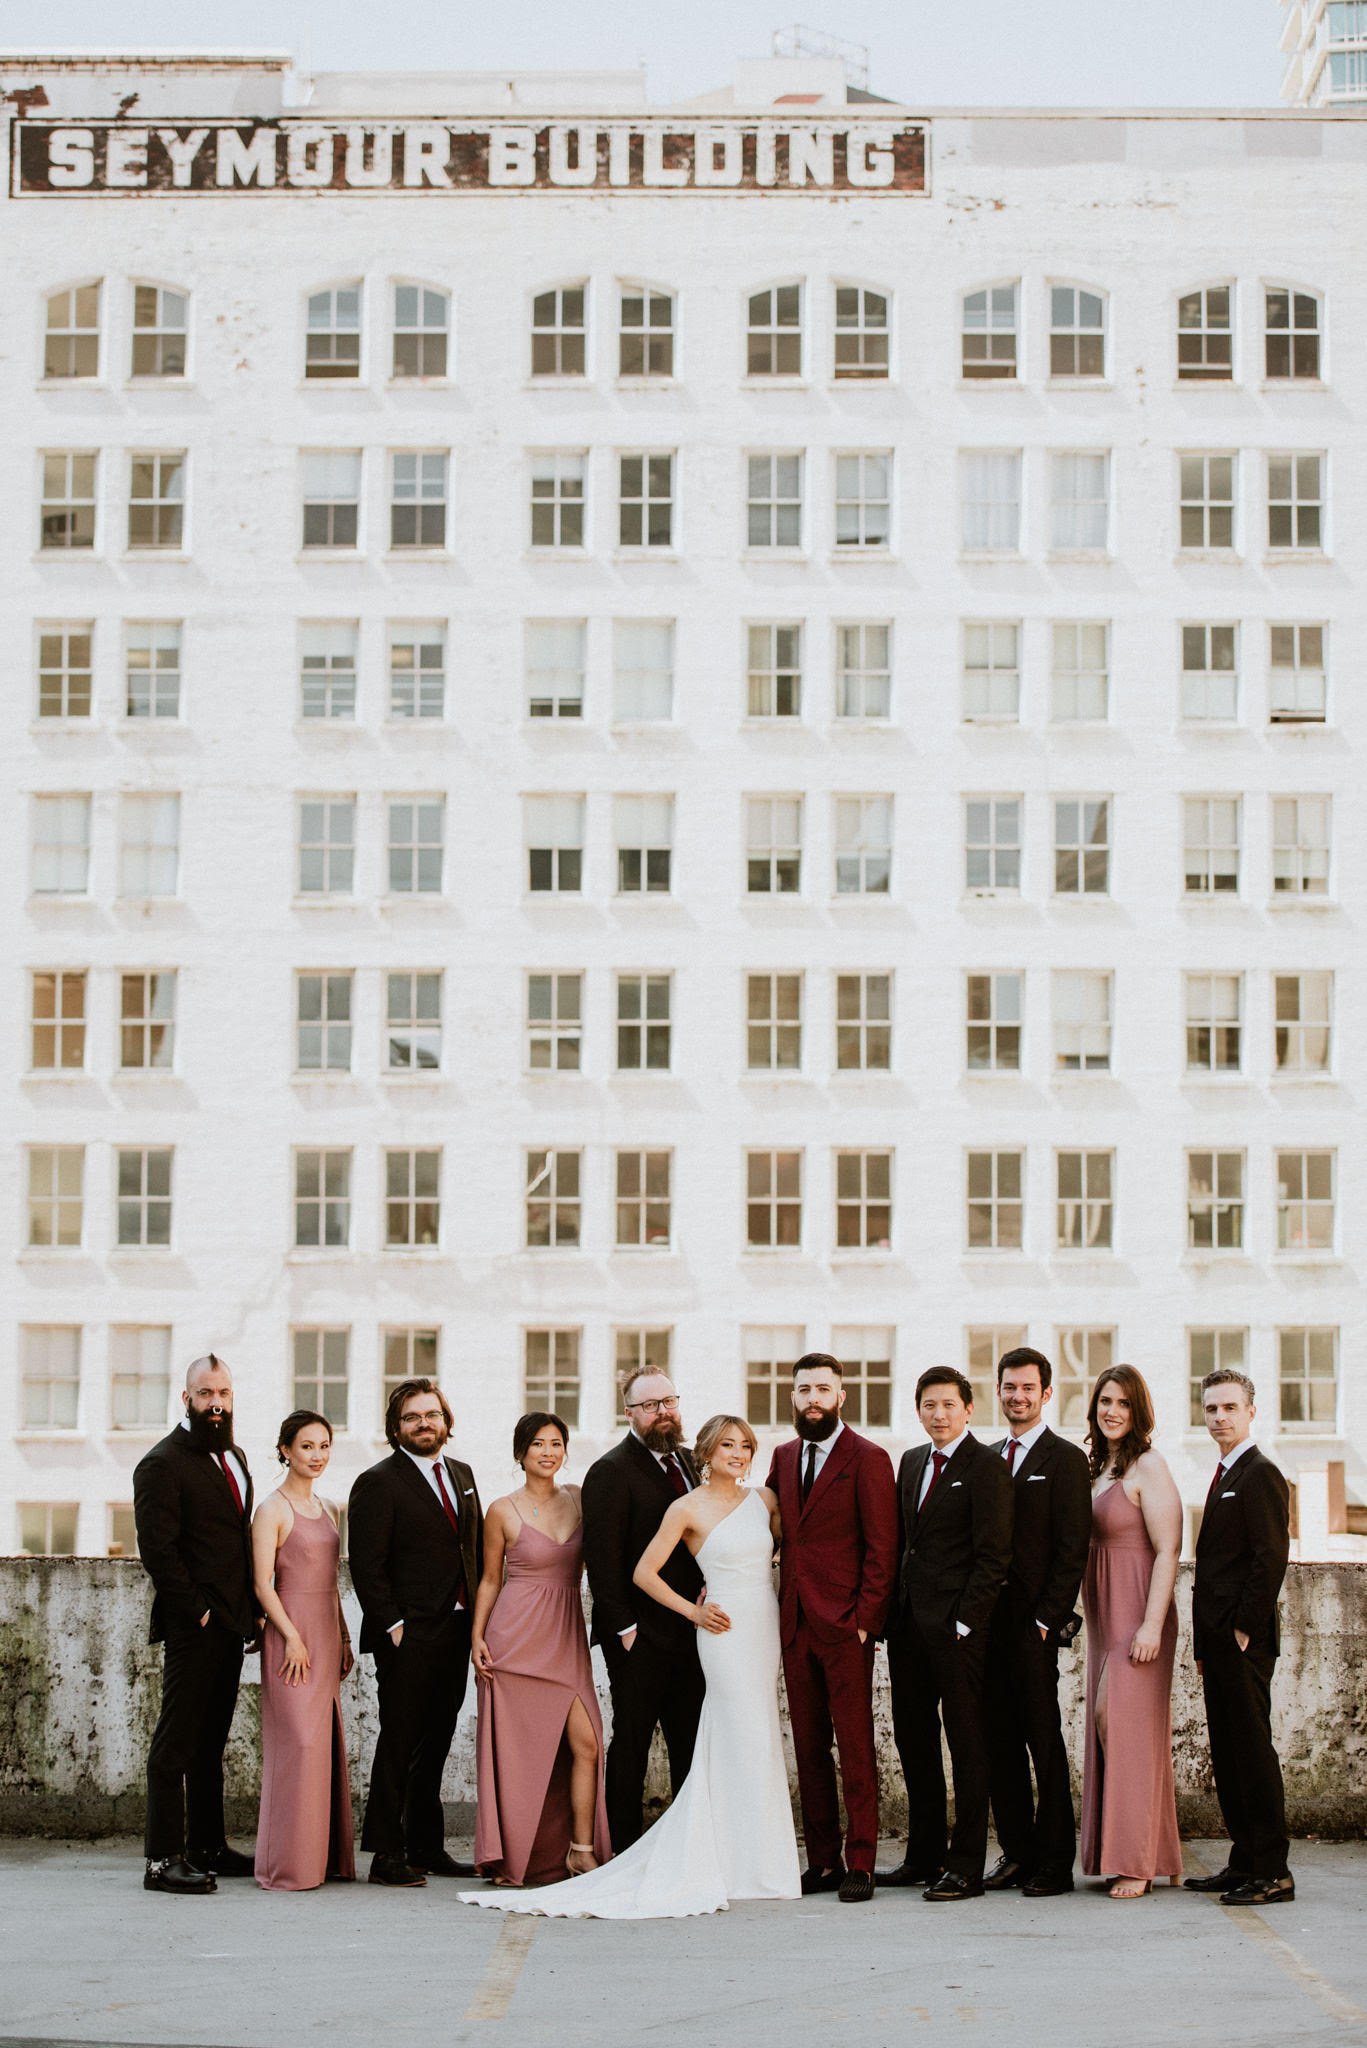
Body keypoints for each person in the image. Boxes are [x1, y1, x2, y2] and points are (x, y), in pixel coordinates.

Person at [461, 1415, 800, 1918]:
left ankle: (760, 1856)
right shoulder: (684, 1506)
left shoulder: (766, 1502)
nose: (739, 1453)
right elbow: (639, 1569)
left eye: (746, 1446)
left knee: (759, 1734)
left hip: (762, 1627)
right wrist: (694, 1611)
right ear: (705, 1452)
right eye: (728, 1444)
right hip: (716, 1632)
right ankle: (692, 1849)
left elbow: (784, 1554)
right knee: (716, 1731)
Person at [764, 1352, 898, 1903]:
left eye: (823, 1389)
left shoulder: (868, 1458)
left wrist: (865, 1621)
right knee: (810, 1747)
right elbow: (773, 1532)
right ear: (792, 1397)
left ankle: (860, 1861)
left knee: (856, 1745)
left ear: (841, 1397)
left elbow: (883, 1547)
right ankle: (820, 1860)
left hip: (846, 1627)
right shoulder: (783, 1455)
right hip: (794, 1624)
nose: (813, 1398)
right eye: (803, 1390)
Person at [882, 1367, 1013, 1902]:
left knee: (966, 1744)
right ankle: (924, 1854)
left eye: (948, 1405)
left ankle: (965, 1865)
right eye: (929, 1405)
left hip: (959, 1633)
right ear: (918, 1411)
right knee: (914, 1741)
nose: (938, 1414)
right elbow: (903, 1545)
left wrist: (965, 1621)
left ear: (968, 1410)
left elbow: (994, 1556)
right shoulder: (911, 1462)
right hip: (909, 1628)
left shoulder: (986, 1467)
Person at [347, 1377, 483, 1887]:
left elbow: (473, 1549)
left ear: (446, 1421)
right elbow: (367, 1564)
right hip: (407, 1635)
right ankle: (386, 1854)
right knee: (399, 1743)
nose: (424, 1424)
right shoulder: (378, 1482)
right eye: (412, 1417)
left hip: (456, 1628)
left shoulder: (463, 1475)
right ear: (396, 1427)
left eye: (431, 1415)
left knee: (438, 1739)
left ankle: (426, 1847)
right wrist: (394, 1626)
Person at [133, 1353, 257, 1894]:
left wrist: (243, 1614)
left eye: (223, 1394)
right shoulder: (162, 1463)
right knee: (174, 1746)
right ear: (186, 1398)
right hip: (194, 1625)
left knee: (211, 1744)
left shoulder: (236, 1456)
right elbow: (158, 1553)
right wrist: (200, 1612)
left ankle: (208, 1846)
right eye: (206, 1394)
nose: (216, 1404)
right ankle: (162, 1861)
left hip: (231, 1623)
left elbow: (236, 1541)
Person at [468, 1413, 610, 1886]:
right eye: (537, 1444)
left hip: (565, 1637)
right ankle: (517, 1854)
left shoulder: (580, 1498)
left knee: (586, 1742)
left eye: (556, 1443)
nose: (548, 1452)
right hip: (515, 1641)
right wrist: (478, 1637)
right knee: (521, 1754)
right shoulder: (501, 1510)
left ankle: (581, 1850)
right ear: (520, 1453)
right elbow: (490, 1580)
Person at [580, 1368, 706, 1851]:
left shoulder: (692, 1463)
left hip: (690, 1632)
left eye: (669, 1401)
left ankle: (686, 1844)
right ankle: (624, 1848)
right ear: (629, 1413)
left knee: (688, 1741)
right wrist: (626, 1630)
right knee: (631, 1743)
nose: (663, 1412)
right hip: (638, 1637)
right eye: (650, 1405)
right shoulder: (610, 1471)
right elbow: (602, 1560)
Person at [984, 1346, 1092, 1898]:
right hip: (986, 1629)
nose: (1018, 1396)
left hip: (1034, 1628)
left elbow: (1073, 1549)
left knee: (1042, 1742)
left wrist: (1048, 1622)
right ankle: (1017, 1853)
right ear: (998, 1390)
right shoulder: (987, 1455)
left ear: (1046, 1394)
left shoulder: (1066, 1459)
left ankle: (1053, 1860)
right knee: (998, 1744)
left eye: (1028, 1388)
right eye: (1009, 1387)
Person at [1185, 1368, 1294, 1907]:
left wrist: (1245, 1629)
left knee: (1251, 1752)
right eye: (1211, 1409)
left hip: (1244, 1641)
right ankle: (1244, 1861)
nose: (1219, 1417)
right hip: (1220, 1644)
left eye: (1229, 1407)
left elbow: (1270, 1557)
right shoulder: (1225, 1472)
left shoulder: (1260, 1473)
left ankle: (1273, 1870)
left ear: (1252, 1411)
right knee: (1227, 1753)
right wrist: (1206, 1646)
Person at [1080, 1365, 1184, 1899]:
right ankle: (1142, 1848)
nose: (1111, 1411)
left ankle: (1138, 1859)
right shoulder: (1099, 1466)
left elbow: (1169, 1549)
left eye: (1122, 1402)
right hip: (1104, 1614)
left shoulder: (1150, 1465)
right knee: (1117, 1726)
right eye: (1104, 1401)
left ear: (1137, 1410)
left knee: (1119, 1721)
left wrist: (1151, 1624)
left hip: (1140, 1614)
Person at [251, 1409, 356, 1891]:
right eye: (307, 1446)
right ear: (285, 1451)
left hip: (326, 1631)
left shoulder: (330, 1508)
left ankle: (322, 1860)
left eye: (323, 1446)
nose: (317, 1455)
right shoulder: (271, 1509)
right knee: (298, 1745)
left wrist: (345, 1636)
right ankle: (286, 1865)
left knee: (323, 1748)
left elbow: (332, 1582)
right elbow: (261, 1583)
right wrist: (291, 1635)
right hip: (290, 1634)